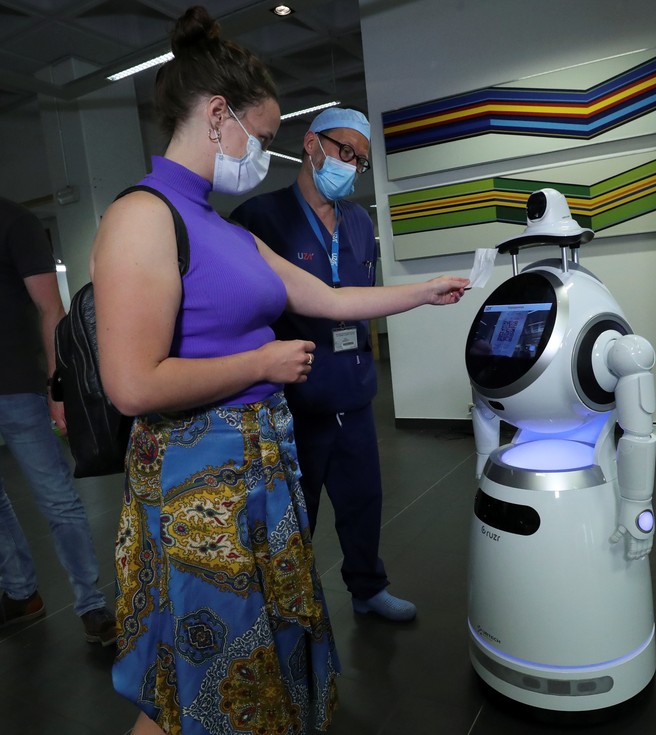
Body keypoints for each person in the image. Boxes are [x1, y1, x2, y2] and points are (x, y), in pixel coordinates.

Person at [89, 7, 467, 735]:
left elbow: (329, 298)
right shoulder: (144, 215)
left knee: (248, 655)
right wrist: (261, 362)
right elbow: (131, 384)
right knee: (204, 665)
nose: (264, 154)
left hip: (258, 467)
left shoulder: (217, 223)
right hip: (200, 483)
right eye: (261, 138)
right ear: (218, 116)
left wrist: (423, 291)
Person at [230, 108, 414, 623]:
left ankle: (368, 588)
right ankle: (288, 609)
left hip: (352, 392)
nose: (351, 166)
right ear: (311, 143)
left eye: (360, 161)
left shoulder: (359, 221)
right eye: (344, 151)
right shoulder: (258, 218)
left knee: (363, 502)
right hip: (294, 401)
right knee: (293, 514)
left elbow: (361, 295)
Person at [0, 196, 116, 647]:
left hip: (17, 386)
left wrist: (57, 386)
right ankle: (20, 592)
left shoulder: (16, 222)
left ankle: (91, 605)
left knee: (56, 500)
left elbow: (51, 309)